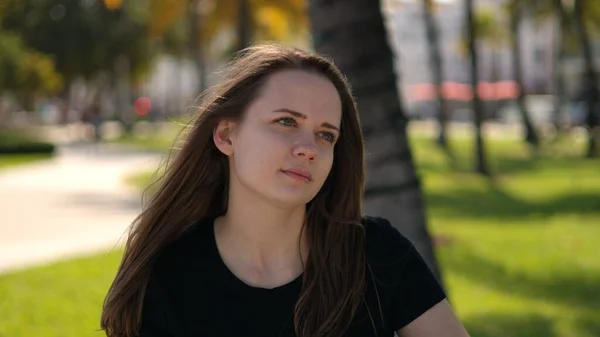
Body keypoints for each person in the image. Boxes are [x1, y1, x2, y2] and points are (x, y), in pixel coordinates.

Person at [100, 43, 470, 337]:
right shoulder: (169, 277)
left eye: (326, 135)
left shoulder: (378, 255)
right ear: (227, 135)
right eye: (286, 121)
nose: (308, 148)